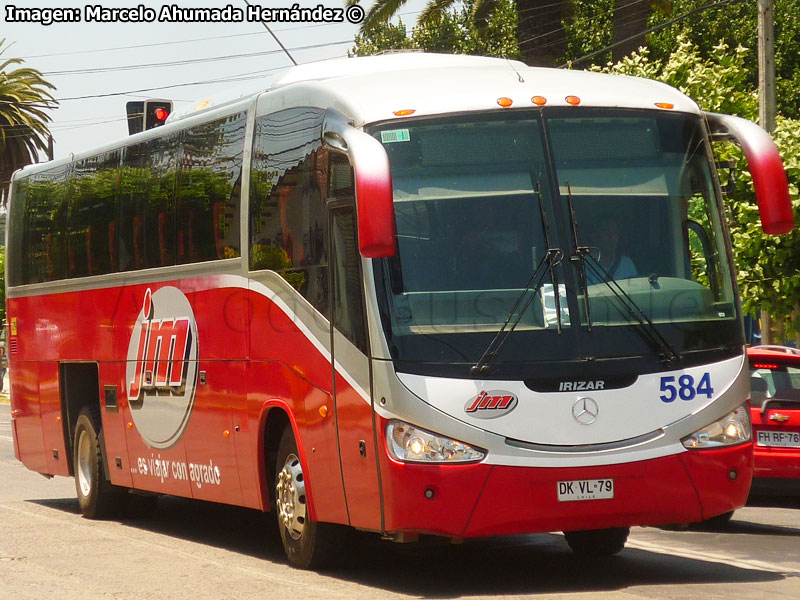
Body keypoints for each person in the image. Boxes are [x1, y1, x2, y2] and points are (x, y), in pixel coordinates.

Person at [586, 216, 637, 284]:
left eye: (615, 232)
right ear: (596, 236)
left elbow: (633, 290)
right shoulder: (586, 264)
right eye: (606, 231)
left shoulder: (627, 264)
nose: (611, 236)